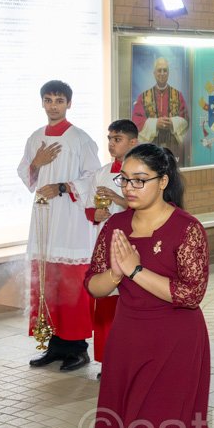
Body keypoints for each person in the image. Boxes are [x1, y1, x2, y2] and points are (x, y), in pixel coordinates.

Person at [85, 143, 210, 428]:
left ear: (163, 181)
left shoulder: (187, 228)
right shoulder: (116, 225)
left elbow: (190, 294)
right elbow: (94, 286)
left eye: (140, 180)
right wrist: (115, 272)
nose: (130, 188)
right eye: (125, 179)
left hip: (174, 343)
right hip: (128, 340)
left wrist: (137, 270)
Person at [18, 80, 99, 372]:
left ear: (69, 104)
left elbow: (94, 177)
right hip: (43, 220)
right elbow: (26, 175)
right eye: (49, 100)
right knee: (47, 283)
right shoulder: (35, 138)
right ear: (42, 102)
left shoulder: (80, 139)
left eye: (59, 100)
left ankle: (77, 348)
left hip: (71, 222)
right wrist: (37, 163)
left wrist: (63, 187)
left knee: (71, 285)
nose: (53, 106)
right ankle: (54, 345)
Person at [85, 119, 140, 369]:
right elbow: (90, 207)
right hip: (105, 244)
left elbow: (145, 206)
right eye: (109, 139)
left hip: (132, 243)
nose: (111, 144)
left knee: (129, 301)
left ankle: (129, 360)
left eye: (117, 139)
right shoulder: (101, 172)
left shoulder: (140, 173)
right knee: (106, 302)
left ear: (133, 142)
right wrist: (95, 213)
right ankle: (107, 360)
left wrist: (118, 197)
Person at [132, 56, 189, 162]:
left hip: (173, 147)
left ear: (168, 73)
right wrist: (155, 124)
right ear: (154, 73)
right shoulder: (143, 97)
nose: (162, 73)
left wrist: (172, 123)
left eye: (165, 70)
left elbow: (186, 119)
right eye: (159, 70)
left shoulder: (178, 95)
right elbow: (136, 122)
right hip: (151, 148)